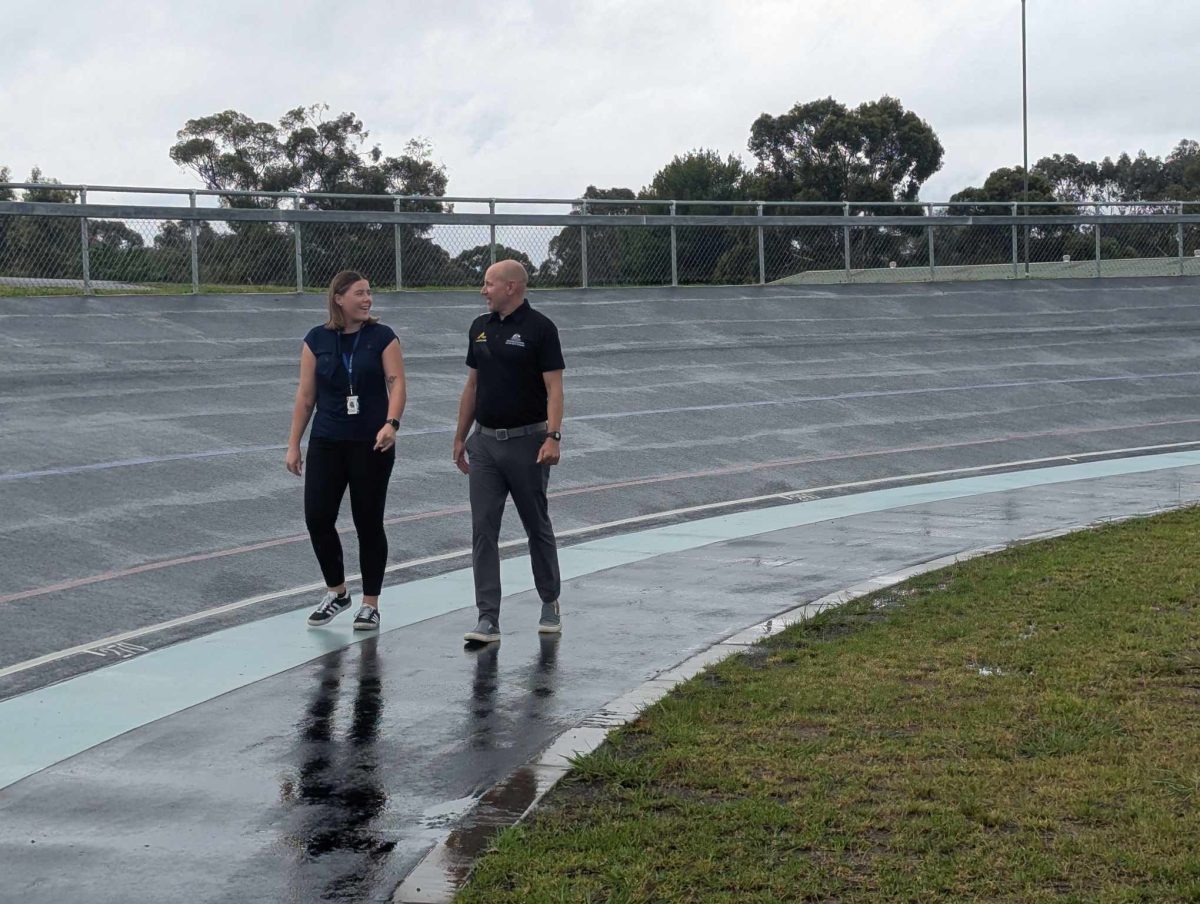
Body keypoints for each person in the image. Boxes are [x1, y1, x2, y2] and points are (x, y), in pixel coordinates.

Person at [286, 270, 406, 631]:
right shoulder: (316, 340)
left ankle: (370, 603)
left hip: (372, 442)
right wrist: (294, 443)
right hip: (327, 441)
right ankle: (337, 592)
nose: (367, 299)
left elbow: (397, 383)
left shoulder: (382, 337)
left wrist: (392, 423)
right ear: (339, 298)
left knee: (368, 521)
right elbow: (306, 397)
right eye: (359, 293)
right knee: (317, 518)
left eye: (369, 293)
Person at [453, 259, 565, 644]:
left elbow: (554, 389)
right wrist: (459, 437)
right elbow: (472, 386)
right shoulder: (479, 328)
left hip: (528, 443)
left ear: (512, 287)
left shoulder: (540, 329)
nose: (483, 290)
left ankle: (550, 601)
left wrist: (553, 437)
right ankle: (488, 618)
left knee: (536, 524)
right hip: (484, 444)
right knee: (483, 528)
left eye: (488, 284)